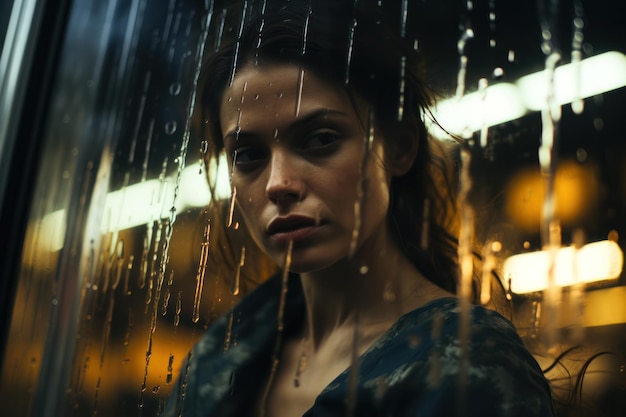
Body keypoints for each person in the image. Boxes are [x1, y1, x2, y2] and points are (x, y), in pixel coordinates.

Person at [166, 1, 555, 416]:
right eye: (247, 155)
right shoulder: (216, 362)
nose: (279, 183)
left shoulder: (467, 364)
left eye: (320, 140)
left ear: (400, 147)